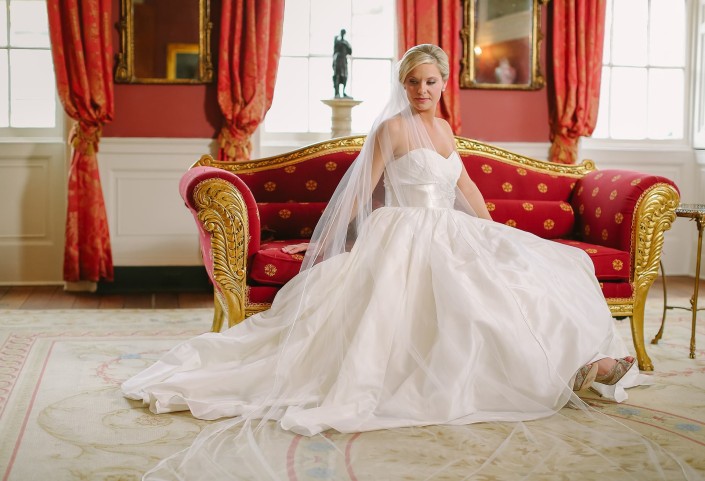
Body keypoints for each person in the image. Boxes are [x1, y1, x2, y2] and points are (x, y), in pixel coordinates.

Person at [122, 45, 698, 480]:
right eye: (413, 82)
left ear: (444, 84)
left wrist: (497, 230)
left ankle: (581, 364)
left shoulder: (446, 129)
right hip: (403, 232)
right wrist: (325, 245)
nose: (422, 89)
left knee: (547, 269)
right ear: (403, 85)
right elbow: (361, 193)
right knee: (470, 305)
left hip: (451, 229)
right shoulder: (390, 130)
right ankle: (550, 372)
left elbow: (465, 185)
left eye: (431, 81)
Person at [333, 29, 352, 97]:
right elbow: (334, 51)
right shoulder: (337, 42)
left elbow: (350, 52)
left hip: (344, 61)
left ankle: (344, 92)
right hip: (338, 60)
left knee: (345, 76)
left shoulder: (346, 42)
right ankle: (337, 92)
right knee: (337, 76)